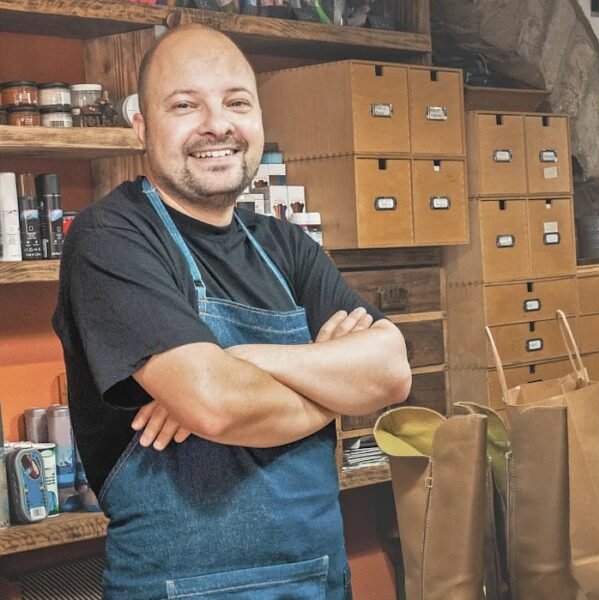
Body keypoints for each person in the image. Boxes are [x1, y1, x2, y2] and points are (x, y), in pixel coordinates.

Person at [52, 24, 411, 599]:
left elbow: (391, 372)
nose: (217, 125)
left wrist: (240, 358)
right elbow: (215, 406)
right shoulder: (111, 237)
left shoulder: (286, 245)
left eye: (236, 102)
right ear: (142, 127)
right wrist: (332, 379)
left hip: (319, 583)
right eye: (185, 105)